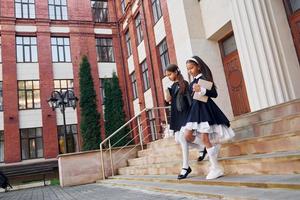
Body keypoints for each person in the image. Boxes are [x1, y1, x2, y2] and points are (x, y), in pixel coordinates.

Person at [184, 56, 235, 180]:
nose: (190, 71)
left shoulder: (204, 79)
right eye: (188, 69)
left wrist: (201, 89)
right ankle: (211, 148)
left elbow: (214, 94)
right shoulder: (192, 82)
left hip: (205, 110)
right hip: (195, 111)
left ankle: (216, 167)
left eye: (191, 68)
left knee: (205, 137)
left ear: (198, 66)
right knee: (187, 136)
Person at [164, 64, 206, 180]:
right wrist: (167, 92)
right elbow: (168, 100)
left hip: (185, 115)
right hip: (177, 116)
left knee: (183, 138)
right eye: (167, 75)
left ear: (176, 72)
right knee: (178, 140)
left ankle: (185, 167)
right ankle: (202, 145)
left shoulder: (185, 83)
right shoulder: (172, 86)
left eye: (170, 74)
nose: (169, 77)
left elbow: (190, 100)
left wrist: (193, 116)